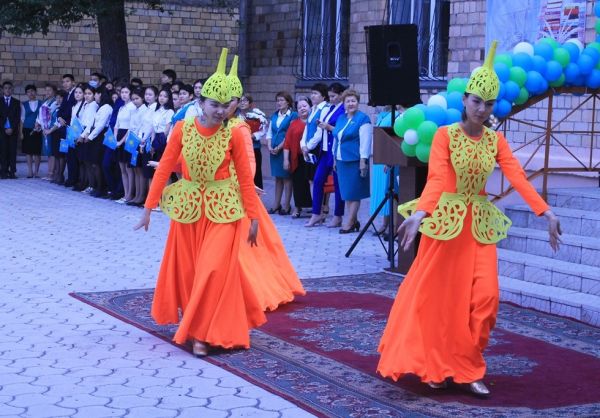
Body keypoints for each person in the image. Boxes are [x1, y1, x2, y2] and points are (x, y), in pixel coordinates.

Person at [377, 42, 563, 397]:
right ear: (464, 100)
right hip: (446, 227)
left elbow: (518, 177)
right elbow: (436, 180)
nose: (481, 109)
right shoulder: (445, 136)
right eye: (476, 101)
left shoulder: (496, 141)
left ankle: (466, 366)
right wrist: (419, 214)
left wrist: (547, 212)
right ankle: (437, 365)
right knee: (440, 302)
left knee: (486, 300)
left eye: (488, 104)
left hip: (478, 228)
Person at [134, 48, 266, 356]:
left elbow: (245, 178)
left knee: (212, 271)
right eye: (214, 104)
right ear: (201, 103)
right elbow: (165, 167)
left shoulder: (235, 133)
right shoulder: (183, 128)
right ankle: (198, 330)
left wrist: (254, 217)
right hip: (189, 210)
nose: (220, 110)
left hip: (224, 211)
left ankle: (202, 335)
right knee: (192, 275)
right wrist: (148, 208)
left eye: (225, 105)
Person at [226, 56, 306, 310]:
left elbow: (248, 162)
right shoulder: (210, 125)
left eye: (229, 101)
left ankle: (249, 289)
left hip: (236, 193)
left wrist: (242, 184)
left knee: (244, 246)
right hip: (214, 195)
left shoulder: (239, 127)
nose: (223, 106)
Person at [304, 82, 346, 227]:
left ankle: (338, 215)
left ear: (341, 95)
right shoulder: (331, 108)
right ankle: (316, 213)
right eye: (329, 96)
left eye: (333, 96)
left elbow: (341, 129)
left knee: (338, 184)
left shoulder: (344, 109)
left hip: (334, 150)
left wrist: (327, 126)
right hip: (325, 150)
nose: (331, 99)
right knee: (317, 180)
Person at [332, 89, 372, 233]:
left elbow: (365, 142)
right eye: (348, 101)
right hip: (341, 160)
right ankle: (354, 221)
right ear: (343, 103)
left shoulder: (363, 119)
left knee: (354, 193)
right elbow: (336, 138)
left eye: (353, 101)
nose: (350, 104)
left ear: (358, 102)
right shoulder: (341, 118)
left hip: (355, 160)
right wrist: (334, 159)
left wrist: (363, 161)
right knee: (347, 194)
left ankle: (349, 222)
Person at [267, 91, 297, 214]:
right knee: (277, 178)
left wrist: (279, 147)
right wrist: (269, 146)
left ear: (288, 102)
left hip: (285, 150)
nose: (279, 103)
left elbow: (290, 134)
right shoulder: (274, 115)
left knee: (286, 178)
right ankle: (276, 204)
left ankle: (286, 205)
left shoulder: (293, 115)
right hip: (273, 151)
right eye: (277, 100)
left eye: (281, 100)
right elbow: (270, 132)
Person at [283, 96, 313, 218]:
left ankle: (316, 208)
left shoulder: (314, 122)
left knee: (312, 183)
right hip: (297, 158)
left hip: (311, 158)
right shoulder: (293, 124)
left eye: (305, 106)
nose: (302, 109)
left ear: (310, 107)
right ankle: (298, 207)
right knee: (298, 184)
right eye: (299, 107)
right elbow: (287, 143)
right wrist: (286, 159)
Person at [85, 86, 113, 197]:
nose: (95, 96)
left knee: (97, 163)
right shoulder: (101, 107)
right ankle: (98, 187)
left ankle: (101, 188)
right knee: (94, 163)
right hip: (95, 135)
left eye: (95, 94)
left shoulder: (106, 107)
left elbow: (101, 125)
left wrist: (90, 137)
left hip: (100, 136)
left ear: (100, 94)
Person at [238, 94, 268, 189]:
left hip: (254, 148)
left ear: (250, 103)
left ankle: (256, 195)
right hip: (240, 149)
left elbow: (263, 129)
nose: (242, 103)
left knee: (256, 174)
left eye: (245, 101)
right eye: (241, 101)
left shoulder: (257, 115)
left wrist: (254, 135)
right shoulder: (235, 116)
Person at [114, 84, 136, 203]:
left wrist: (121, 141)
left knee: (128, 169)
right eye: (122, 92)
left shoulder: (132, 107)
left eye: (126, 92)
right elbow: (116, 125)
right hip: (118, 137)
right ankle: (125, 194)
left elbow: (130, 127)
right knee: (122, 169)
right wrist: (115, 139)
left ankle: (129, 195)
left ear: (130, 93)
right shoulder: (121, 107)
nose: (123, 94)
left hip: (127, 138)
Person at [58, 74, 78, 187]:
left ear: (73, 82)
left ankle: (73, 179)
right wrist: (59, 118)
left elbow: (71, 112)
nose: (65, 84)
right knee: (68, 154)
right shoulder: (66, 95)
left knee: (73, 155)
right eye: (63, 82)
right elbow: (60, 110)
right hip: (64, 127)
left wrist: (64, 118)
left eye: (67, 81)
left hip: (72, 127)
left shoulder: (75, 94)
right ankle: (70, 178)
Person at [20, 84, 43, 178]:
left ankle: (36, 172)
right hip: (26, 129)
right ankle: (30, 171)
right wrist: (21, 132)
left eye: (32, 91)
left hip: (38, 130)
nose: (31, 93)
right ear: (26, 94)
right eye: (28, 92)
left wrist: (40, 126)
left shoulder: (41, 103)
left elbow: (43, 117)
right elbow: (22, 119)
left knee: (37, 152)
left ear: (36, 92)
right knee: (28, 151)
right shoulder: (24, 104)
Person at [0, 81, 22, 179]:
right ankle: (3, 171)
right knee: (3, 151)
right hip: (2, 131)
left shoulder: (16, 102)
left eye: (9, 88)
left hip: (13, 131)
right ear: (3, 90)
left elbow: (17, 117)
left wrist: (11, 128)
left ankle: (12, 171)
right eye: (5, 88)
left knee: (12, 151)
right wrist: (4, 128)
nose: (7, 90)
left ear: (12, 89)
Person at [36, 84, 58, 180]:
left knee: (52, 152)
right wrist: (38, 123)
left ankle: (52, 173)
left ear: (54, 91)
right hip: (44, 129)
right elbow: (40, 115)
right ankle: (49, 172)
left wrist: (49, 128)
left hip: (51, 130)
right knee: (48, 152)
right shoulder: (45, 102)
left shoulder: (55, 102)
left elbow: (53, 117)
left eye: (50, 90)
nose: (47, 92)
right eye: (46, 90)